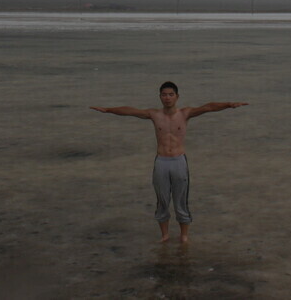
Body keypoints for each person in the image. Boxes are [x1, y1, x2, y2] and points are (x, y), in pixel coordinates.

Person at [90, 81, 248, 243]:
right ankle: (164, 235)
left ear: (177, 97)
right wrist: (108, 110)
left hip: (179, 161)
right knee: (162, 199)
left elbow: (208, 107)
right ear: (160, 97)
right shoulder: (154, 114)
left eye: (171, 94)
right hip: (161, 162)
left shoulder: (185, 113)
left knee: (181, 199)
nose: (167, 98)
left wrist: (229, 104)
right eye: (164, 95)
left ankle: (184, 236)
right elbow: (130, 111)